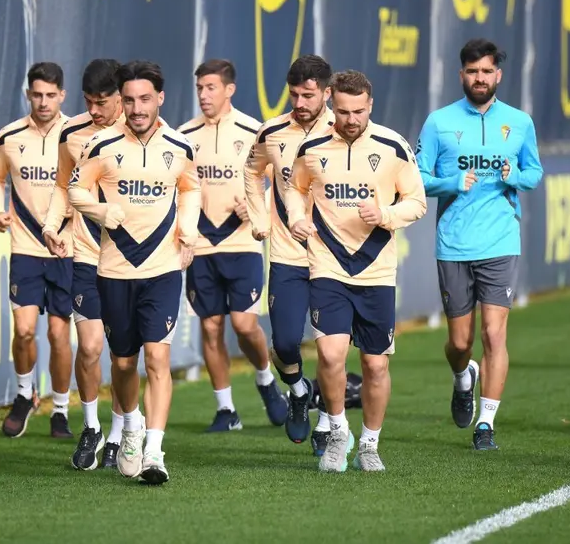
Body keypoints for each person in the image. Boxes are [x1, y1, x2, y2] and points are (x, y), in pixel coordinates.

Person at [283, 69, 426, 472]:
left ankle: (370, 444)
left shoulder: (393, 146)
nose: (351, 119)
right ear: (333, 104)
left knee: (375, 365)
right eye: (343, 111)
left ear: (370, 105)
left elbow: (416, 201)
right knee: (331, 356)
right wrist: (296, 217)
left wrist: (385, 215)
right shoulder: (312, 147)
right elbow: (294, 188)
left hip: (375, 269)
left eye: (358, 111)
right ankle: (337, 431)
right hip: (327, 263)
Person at [68, 60, 200, 484]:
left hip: (163, 269)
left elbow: (191, 188)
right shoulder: (101, 145)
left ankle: (154, 453)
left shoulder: (179, 146)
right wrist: (101, 211)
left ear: (160, 97)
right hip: (113, 270)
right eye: (129, 100)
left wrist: (188, 230)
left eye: (145, 99)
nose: (137, 108)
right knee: (123, 364)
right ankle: (130, 427)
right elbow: (74, 190)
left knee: (158, 356)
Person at [415, 38, 543, 450]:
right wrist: (452, 182)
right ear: (461, 75)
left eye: (487, 71)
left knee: (494, 334)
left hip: (501, 240)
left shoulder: (519, 122)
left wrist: (513, 176)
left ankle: (486, 423)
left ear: (498, 75)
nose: (480, 78)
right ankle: (462, 376)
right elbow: (417, 178)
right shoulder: (439, 122)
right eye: (473, 72)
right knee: (460, 343)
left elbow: (533, 172)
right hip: (454, 243)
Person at [243, 54, 361, 454]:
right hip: (287, 254)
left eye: (308, 95)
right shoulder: (272, 131)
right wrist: (259, 217)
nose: (299, 102)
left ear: (326, 93)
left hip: (334, 258)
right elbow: (251, 172)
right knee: (285, 343)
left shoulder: (344, 130)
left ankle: (327, 422)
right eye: (294, 94)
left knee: (332, 350)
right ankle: (297, 390)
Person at [176, 59, 288, 432]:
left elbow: (279, 182)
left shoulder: (254, 131)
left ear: (230, 89)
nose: (204, 95)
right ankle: (226, 410)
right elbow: (176, 186)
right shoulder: (184, 135)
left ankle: (265, 378)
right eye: (200, 88)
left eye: (211, 87)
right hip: (202, 244)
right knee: (210, 328)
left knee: (243, 324)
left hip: (242, 242)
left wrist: (255, 206)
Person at [42, 58, 132, 470]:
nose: (94, 110)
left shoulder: (142, 132)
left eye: (102, 102)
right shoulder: (71, 133)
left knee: (123, 356)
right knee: (91, 347)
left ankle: (119, 433)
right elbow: (63, 186)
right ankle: (92, 427)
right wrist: (52, 225)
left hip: (130, 260)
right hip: (85, 254)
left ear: (120, 97)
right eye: (88, 102)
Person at [0, 62, 74, 439]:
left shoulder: (76, 135)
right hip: (24, 247)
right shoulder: (10, 136)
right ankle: (25, 395)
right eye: (37, 95)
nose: (43, 102)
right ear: (28, 95)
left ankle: (61, 410)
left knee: (58, 334)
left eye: (51, 95)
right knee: (23, 331)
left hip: (66, 249)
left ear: (62, 96)